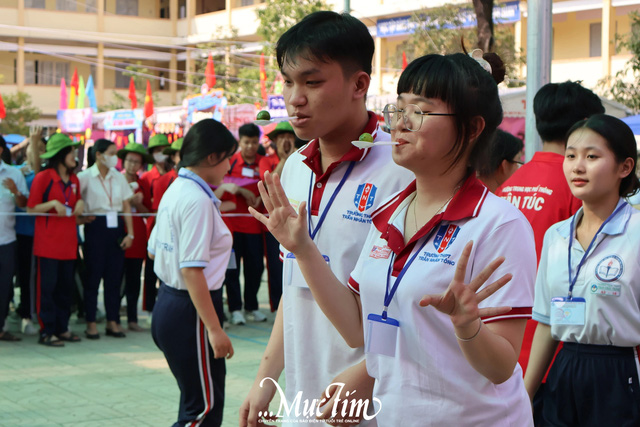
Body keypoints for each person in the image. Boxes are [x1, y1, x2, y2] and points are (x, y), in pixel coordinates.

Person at [252, 52, 536, 425]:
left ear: (472, 127)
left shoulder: (499, 225)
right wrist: (303, 249)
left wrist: (470, 328)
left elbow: (501, 367)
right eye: (397, 108)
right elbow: (356, 328)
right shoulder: (390, 214)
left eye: (418, 111)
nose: (399, 123)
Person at [239, 11, 414, 425]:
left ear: (359, 84)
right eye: (288, 81)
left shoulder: (401, 170)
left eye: (312, 82)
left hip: (372, 401)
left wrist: (369, 372)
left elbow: (413, 302)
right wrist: (267, 376)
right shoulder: (296, 166)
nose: (294, 97)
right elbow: (295, 283)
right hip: (306, 397)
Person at [495, 82, 605, 421]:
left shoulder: (506, 188)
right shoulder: (580, 190)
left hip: (500, 352)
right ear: (586, 124)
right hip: (557, 359)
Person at [524, 114, 640, 426]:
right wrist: (524, 395)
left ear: (624, 167)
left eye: (592, 156)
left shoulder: (636, 232)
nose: (577, 166)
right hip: (564, 368)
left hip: (619, 372)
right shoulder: (556, 235)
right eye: (571, 155)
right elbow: (547, 323)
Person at [148, 119, 236, 427]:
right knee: (203, 411)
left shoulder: (178, 188)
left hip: (170, 303)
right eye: (228, 158)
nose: (229, 166)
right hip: (192, 311)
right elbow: (191, 270)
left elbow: (153, 249)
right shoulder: (196, 200)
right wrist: (214, 329)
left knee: (194, 404)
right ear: (213, 157)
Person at [27, 133, 84, 346]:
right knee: (47, 290)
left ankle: (62, 328)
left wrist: (81, 205)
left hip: (69, 245)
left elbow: (77, 204)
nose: (74, 154)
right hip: (48, 245)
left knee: (65, 290)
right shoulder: (44, 177)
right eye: (70, 151)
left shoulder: (75, 179)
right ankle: (46, 331)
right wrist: (52, 204)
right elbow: (31, 209)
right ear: (60, 154)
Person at [77, 139, 134, 339]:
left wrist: (130, 233)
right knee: (93, 277)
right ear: (99, 155)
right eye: (111, 153)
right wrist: (80, 218)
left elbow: (126, 206)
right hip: (95, 226)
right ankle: (91, 322)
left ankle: (113, 321)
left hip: (116, 227)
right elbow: (76, 200)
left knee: (114, 278)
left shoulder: (118, 177)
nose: (115, 157)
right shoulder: (84, 177)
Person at [223, 123, 266, 325]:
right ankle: (235, 309)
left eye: (254, 142)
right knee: (232, 270)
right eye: (246, 142)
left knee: (255, 268)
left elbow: (269, 183)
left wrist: (260, 198)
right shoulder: (230, 162)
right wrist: (240, 190)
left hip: (254, 225)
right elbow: (221, 183)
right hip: (232, 226)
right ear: (240, 142)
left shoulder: (263, 162)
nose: (250, 146)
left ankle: (252, 306)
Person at [258, 121, 298, 311]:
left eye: (289, 137)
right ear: (274, 141)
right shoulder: (266, 160)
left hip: (296, 219)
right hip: (275, 222)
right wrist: (285, 160)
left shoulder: (301, 157)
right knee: (275, 265)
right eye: (281, 138)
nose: (285, 141)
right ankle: (277, 305)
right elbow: (268, 185)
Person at [14, 127, 46, 335]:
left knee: (39, 279)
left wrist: (34, 142)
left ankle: (37, 314)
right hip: (22, 234)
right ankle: (26, 315)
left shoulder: (44, 174)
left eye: (42, 148)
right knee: (25, 278)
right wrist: (31, 142)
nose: (38, 151)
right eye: (36, 148)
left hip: (41, 235)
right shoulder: (18, 173)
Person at [117, 142, 151, 331]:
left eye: (136, 162)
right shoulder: (116, 180)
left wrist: (138, 204)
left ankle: (132, 319)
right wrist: (126, 201)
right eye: (129, 161)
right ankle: (113, 318)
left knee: (133, 280)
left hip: (138, 239)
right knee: (115, 280)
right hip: (119, 235)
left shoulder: (143, 183)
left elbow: (148, 212)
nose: (132, 165)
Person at [0, 135, 28, 342]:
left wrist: (15, 191)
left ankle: (1, 327)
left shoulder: (13, 174)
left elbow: (24, 204)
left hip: (7, 240)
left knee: (4, 286)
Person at [140, 134, 171, 316]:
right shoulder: (146, 178)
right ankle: (150, 307)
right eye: (157, 151)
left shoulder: (174, 175)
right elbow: (143, 206)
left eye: (163, 151)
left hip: (171, 225)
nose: (161, 155)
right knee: (151, 269)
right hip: (153, 225)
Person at [151, 138, 182, 211]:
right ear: (173, 157)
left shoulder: (199, 178)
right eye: (180, 155)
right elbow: (157, 211)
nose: (184, 158)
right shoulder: (162, 181)